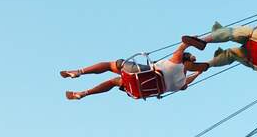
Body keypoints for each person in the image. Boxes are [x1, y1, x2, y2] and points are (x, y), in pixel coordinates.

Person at [62, 39, 208, 100]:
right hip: (139, 90)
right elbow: (188, 82)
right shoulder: (181, 83)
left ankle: (79, 72)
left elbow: (183, 46)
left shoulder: (175, 62)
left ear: (183, 59)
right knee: (114, 82)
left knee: (112, 65)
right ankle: (83, 93)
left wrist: (192, 42)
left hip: (139, 75)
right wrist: (199, 72)